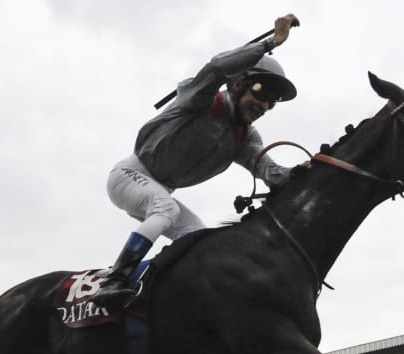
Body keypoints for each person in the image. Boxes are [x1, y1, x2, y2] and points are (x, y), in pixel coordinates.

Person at [93, 14, 301, 307]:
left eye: (272, 102)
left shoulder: (245, 138)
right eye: (260, 92)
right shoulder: (200, 99)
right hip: (128, 175)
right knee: (163, 207)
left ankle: (155, 291)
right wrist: (271, 43)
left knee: (200, 240)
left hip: (159, 192)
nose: (264, 106)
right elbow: (216, 68)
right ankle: (113, 280)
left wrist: (312, 169)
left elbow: (272, 173)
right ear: (237, 85)